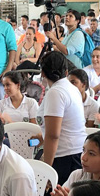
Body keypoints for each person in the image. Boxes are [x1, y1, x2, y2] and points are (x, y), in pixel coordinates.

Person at [35, 52, 86, 185]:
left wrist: (47, 169)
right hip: (73, 152)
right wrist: (42, 136)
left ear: (43, 73)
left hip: (65, 156)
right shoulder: (69, 88)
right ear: (66, 70)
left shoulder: (56, 92)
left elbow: (53, 136)